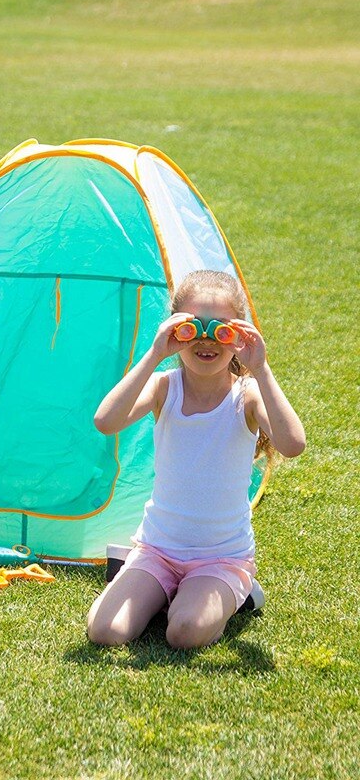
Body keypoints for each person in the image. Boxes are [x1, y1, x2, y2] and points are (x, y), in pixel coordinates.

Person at [87, 270, 305, 650]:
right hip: (158, 550)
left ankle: (236, 593)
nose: (206, 340)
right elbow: (106, 421)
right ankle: (169, 590)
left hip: (220, 558)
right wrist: (155, 354)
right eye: (193, 328)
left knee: (184, 633)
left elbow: (293, 444)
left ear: (238, 336)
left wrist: (261, 368)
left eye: (220, 330)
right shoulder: (163, 387)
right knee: (105, 632)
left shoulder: (247, 395)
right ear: (175, 329)